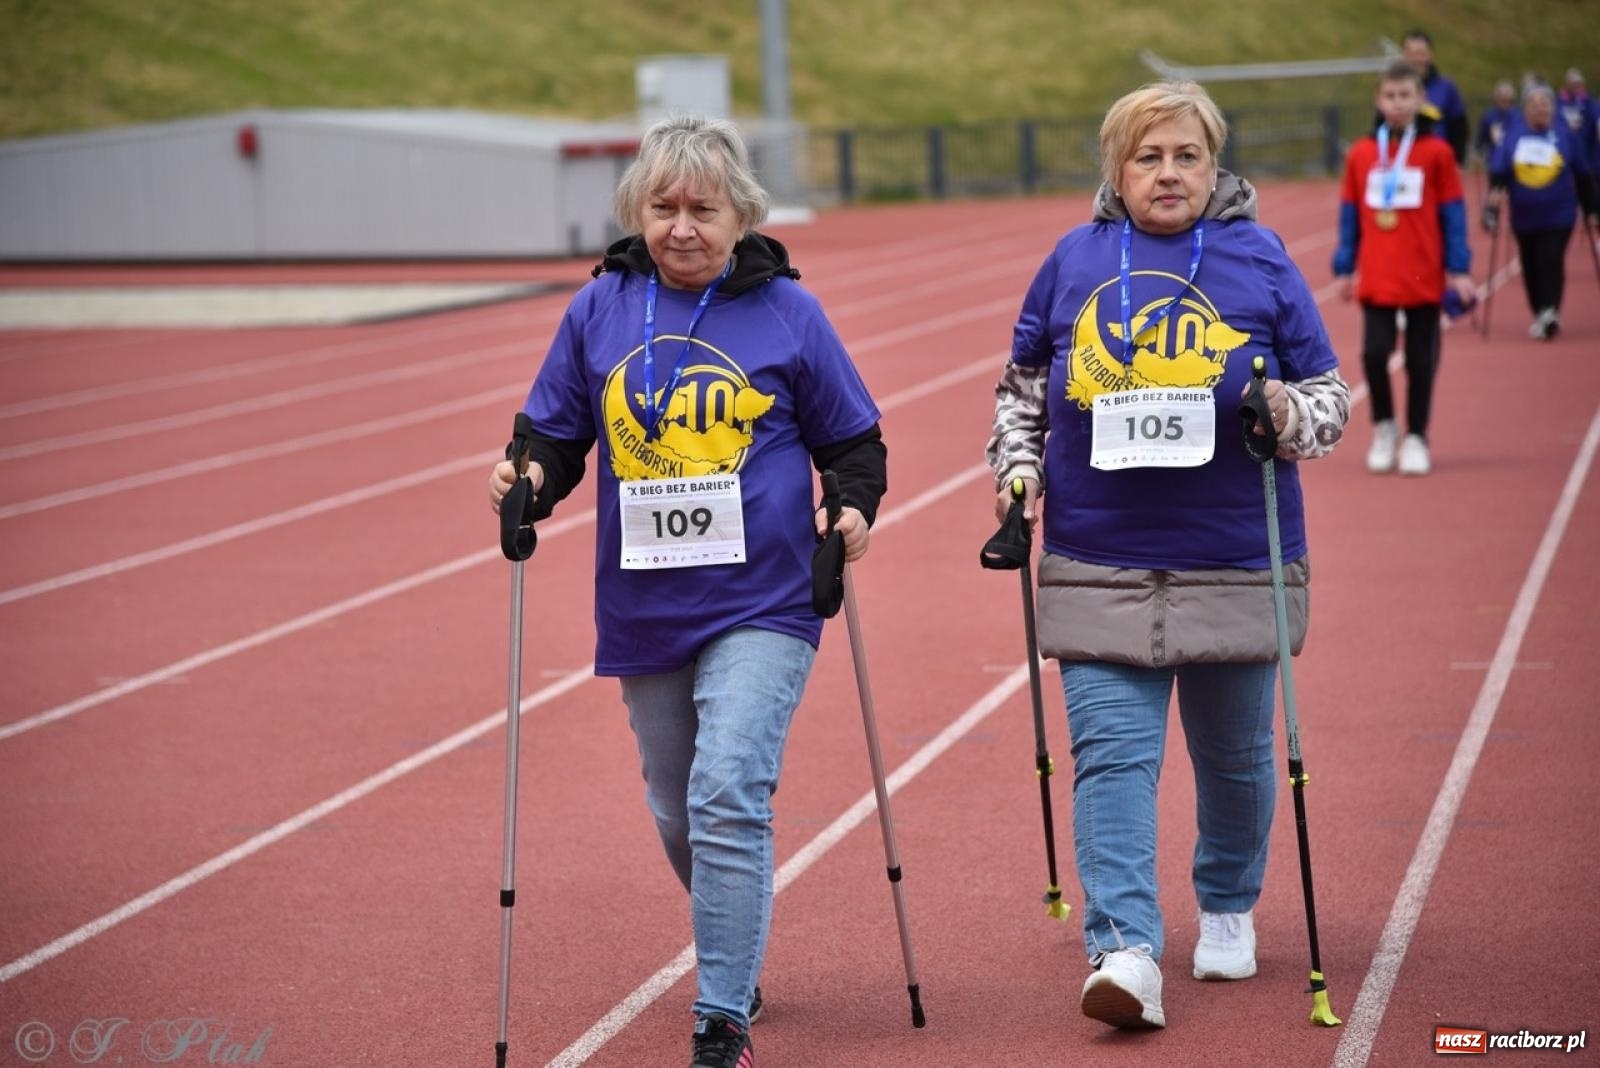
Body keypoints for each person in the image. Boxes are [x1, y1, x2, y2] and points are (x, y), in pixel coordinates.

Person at [488, 114, 887, 1068]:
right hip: (646, 601)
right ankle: (735, 943)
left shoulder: (791, 313)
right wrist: (528, 478)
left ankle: (721, 1016)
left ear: (740, 215)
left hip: (767, 596)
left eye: (703, 209)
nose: (681, 228)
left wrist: (854, 507)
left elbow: (852, 443)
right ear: (638, 211)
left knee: (727, 790)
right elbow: (554, 432)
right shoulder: (600, 310)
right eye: (662, 207)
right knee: (678, 808)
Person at [985, 80, 1350, 1030]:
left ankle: (1227, 904)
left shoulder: (1262, 259)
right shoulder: (1072, 260)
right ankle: (1124, 950)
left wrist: (1287, 415)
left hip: (1233, 554)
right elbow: (1021, 392)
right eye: (1148, 156)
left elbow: (1329, 399)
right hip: (1099, 556)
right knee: (1111, 760)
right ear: (1116, 168)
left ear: (1214, 163)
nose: (1168, 173)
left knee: (1234, 761)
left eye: (1186, 155)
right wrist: (1017, 471)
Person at [1332, 60, 1475, 478]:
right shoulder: (1361, 155)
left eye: (1405, 96)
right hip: (1377, 275)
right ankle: (1384, 426)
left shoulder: (1437, 154)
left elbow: (1453, 215)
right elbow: (1349, 216)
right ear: (1378, 99)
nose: (1397, 104)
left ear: (1419, 99)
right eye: (1390, 96)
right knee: (1374, 355)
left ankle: (1417, 436)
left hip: (1424, 276)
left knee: (1421, 361)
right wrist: (1344, 267)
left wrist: (1459, 268)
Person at [1486, 83, 1600, 340]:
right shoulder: (1513, 136)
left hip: (1560, 214)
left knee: (1550, 259)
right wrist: (1492, 206)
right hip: (1524, 216)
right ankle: (1540, 310)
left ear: (1553, 107)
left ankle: (1551, 311)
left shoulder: (1565, 136)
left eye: (1545, 103)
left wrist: (1592, 207)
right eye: (1534, 103)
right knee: (1530, 263)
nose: (1540, 108)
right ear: (1525, 109)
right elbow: (1499, 173)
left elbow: (1583, 175)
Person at [1401, 29, 1469, 164]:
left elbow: (1459, 127)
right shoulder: (1393, 89)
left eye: (1420, 53)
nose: (1415, 59)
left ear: (1429, 55)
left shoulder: (1446, 88)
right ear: (1404, 55)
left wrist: (1457, 161)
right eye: (1411, 53)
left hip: (1438, 161)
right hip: (1402, 163)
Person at [1475, 81, 1518, 164]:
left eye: (1507, 98)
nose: (1504, 101)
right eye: (1501, 98)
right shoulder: (1489, 117)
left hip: (1515, 159)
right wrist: (1479, 153)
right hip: (1493, 159)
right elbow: (1481, 138)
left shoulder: (1518, 116)